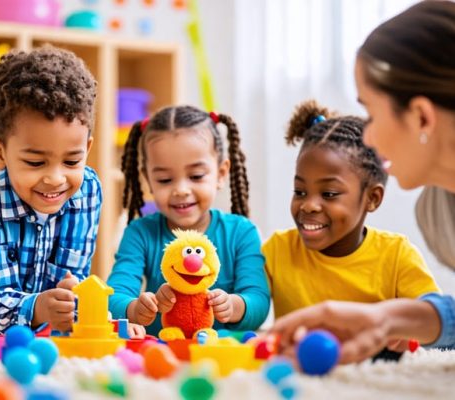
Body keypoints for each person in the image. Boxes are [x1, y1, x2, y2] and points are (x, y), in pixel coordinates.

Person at [270, 0, 455, 363]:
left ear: (420, 117)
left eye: (371, 112)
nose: (367, 138)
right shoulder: (438, 211)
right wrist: (385, 319)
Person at [0, 45, 132, 337]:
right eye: (35, 162)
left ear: (87, 148)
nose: (56, 178)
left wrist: (72, 297)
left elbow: (73, 276)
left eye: (71, 160)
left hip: (43, 329)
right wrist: (38, 307)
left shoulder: (87, 190)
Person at [263, 100, 440, 319]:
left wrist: (405, 330)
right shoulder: (278, 250)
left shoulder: (396, 256)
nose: (308, 205)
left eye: (329, 194)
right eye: (300, 191)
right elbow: (246, 300)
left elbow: (434, 320)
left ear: (372, 198)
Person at [107, 105, 270, 336]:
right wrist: (135, 309)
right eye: (164, 179)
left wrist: (233, 306)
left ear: (221, 174)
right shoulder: (140, 233)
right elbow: (114, 294)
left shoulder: (242, 232)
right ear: (148, 180)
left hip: (222, 353)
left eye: (196, 176)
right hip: (163, 350)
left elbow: (259, 300)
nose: (181, 190)